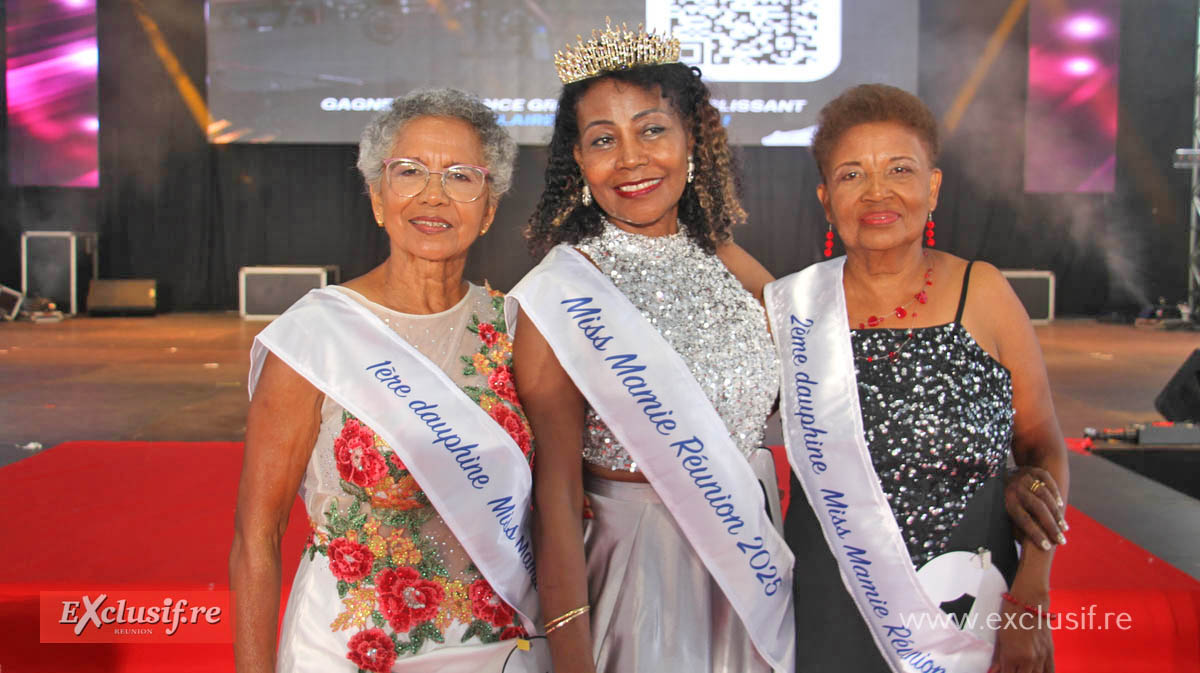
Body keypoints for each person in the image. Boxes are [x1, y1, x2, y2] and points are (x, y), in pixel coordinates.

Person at [506, 21, 793, 673]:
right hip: (640, 570)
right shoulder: (563, 289)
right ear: (578, 160)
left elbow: (814, 360)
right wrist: (574, 656)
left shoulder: (724, 259)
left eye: (652, 129)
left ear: (691, 139)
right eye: (604, 139)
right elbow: (553, 498)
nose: (632, 158)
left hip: (751, 549)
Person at [230, 89, 546, 673]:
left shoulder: (517, 328)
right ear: (378, 198)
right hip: (353, 649)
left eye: (460, 176)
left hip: (501, 648)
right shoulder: (315, 334)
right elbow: (257, 535)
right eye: (409, 172)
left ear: (490, 207)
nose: (434, 194)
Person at [764, 84, 1070, 673]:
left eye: (899, 169)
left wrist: (1031, 597)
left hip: (973, 599)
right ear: (827, 200)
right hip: (833, 600)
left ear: (932, 187)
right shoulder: (794, 308)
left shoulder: (984, 294)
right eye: (852, 175)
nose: (878, 192)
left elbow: (1043, 446)